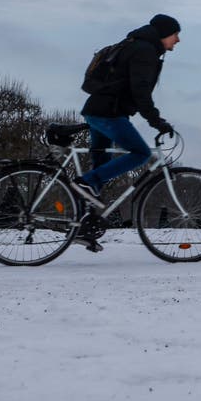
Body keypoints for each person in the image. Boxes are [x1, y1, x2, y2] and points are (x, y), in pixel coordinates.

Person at [69, 14, 180, 252]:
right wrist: (157, 121)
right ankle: (88, 183)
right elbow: (140, 92)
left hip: (97, 111)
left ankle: (84, 227)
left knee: (100, 169)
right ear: (164, 33)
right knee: (139, 153)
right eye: (175, 34)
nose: (178, 40)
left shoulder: (133, 44)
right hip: (109, 112)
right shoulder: (144, 51)